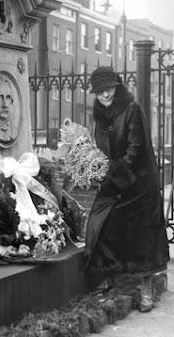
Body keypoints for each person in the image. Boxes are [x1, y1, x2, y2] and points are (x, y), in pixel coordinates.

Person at [84, 66, 169, 312]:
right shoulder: (100, 115)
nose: (105, 96)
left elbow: (136, 149)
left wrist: (115, 174)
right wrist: (94, 165)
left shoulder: (132, 109)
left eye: (109, 89)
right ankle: (109, 277)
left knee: (143, 238)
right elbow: (100, 147)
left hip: (140, 183)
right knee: (102, 219)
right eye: (100, 92)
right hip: (115, 179)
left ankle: (146, 290)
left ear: (117, 87)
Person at [0, 75, 16, 144]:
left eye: (8, 97)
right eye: (0, 97)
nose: (5, 104)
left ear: (11, 101)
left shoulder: (14, 131)